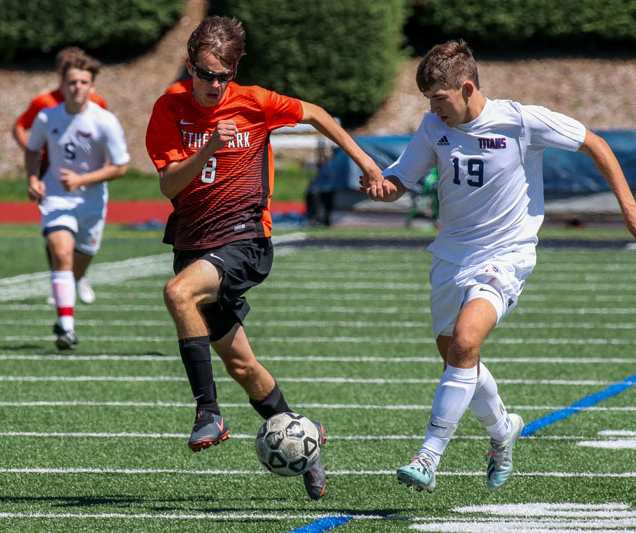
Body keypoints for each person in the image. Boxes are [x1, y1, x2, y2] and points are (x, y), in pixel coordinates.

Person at [366, 40, 636, 493]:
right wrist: (383, 189)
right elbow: (401, 178)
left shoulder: (520, 120)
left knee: (467, 341)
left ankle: (428, 456)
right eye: (428, 101)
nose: (433, 109)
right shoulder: (433, 127)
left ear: (467, 87)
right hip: (451, 255)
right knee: (457, 355)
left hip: (505, 254)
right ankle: (502, 430)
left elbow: (595, 143)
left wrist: (628, 204)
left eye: (439, 99)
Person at [145, 16, 384, 500]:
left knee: (177, 293)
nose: (215, 84)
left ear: (235, 70)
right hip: (193, 241)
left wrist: (366, 162)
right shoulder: (169, 107)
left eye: (224, 75)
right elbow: (169, 184)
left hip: (244, 238)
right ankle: (308, 444)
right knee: (242, 366)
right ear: (190, 65)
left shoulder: (254, 101)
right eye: (206, 73)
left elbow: (316, 113)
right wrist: (208, 145)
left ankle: (207, 411)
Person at [26, 52, 130, 350]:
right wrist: (33, 178)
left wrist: (83, 180)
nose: (77, 87)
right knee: (61, 252)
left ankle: (67, 292)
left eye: (84, 82)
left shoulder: (105, 121)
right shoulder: (47, 117)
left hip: (91, 203)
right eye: (72, 82)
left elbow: (120, 166)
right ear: (62, 83)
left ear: (92, 85)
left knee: (78, 266)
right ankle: (66, 328)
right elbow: (32, 150)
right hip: (56, 198)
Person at [13, 46, 108, 305]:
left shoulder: (96, 101)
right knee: (56, 229)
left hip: (87, 180)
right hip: (53, 176)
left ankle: (79, 276)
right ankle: (61, 280)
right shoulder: (44, 102)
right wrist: (34, 153)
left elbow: (104, 133)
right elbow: (20, 126)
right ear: (60, 72)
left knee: (85, 238)